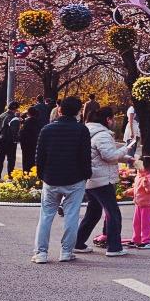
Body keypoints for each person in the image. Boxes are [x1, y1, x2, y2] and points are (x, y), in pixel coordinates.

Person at [31, 97, 92, 264]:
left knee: (45, 216)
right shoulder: (82, 130)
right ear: (79, 112)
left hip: (51, 179)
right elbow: (85, 157)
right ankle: (66, 252)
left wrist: (42, 175)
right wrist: (86, 175)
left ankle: (41, 253)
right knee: (71, 216)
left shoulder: (47, 129)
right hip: (75, 179)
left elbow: (40, 156)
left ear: (60, 110)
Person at [74, 106, 134, 257]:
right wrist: (126, 149)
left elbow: (100, 154)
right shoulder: (102, 135)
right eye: (113, 118)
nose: (114, 122)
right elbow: (108, 156)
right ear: (107, 119)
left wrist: (125, 158)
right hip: (102, 180)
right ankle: (114, 247)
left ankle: (78, 243)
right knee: (113, 213)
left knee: (93, 212)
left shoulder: (86, 131)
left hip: (91, 178)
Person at [125, 155, 150, 249]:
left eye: (140, 167)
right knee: (136, 223)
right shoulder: (138, 177)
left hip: (147, 205)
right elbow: (137, 189)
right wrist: (129, 192)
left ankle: (146, 241)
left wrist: (147, 184)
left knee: (145, 223)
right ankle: (136, 239)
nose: (138, 170)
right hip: (138, 204)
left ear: (147, 167)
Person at [0, 102, 22, 180]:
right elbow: (14, 131)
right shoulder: (13, 118)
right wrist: (17, 139)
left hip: (1, 140)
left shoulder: (1, 115)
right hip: (10, 141)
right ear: (15, 109)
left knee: (0, 160)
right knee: (11, 160)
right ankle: (10, 178)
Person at [19, 106, 44, 171]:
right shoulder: (39, 122)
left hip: (26, 145)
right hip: (36, 144)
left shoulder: (27, 122)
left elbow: (21, 134)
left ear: (28, 114)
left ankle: (26, 175)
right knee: (34, 161)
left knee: (26, 161)